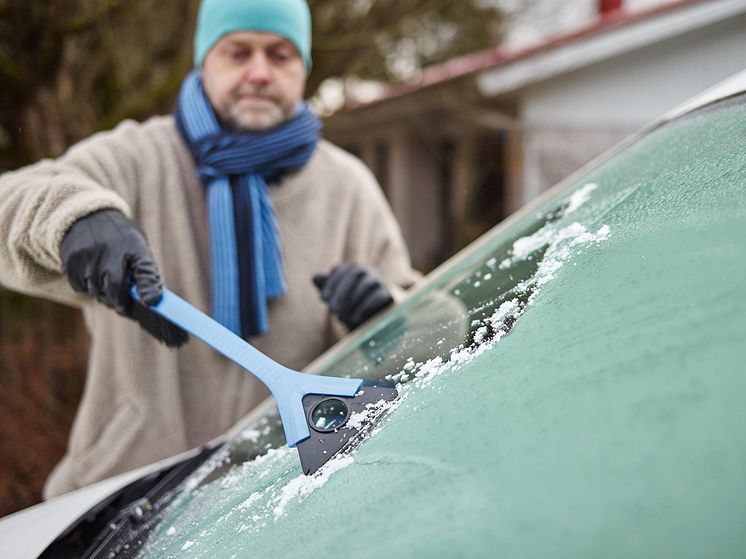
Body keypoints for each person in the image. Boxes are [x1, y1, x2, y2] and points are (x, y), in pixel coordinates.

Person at [0, 0, 419, 499]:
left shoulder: (348, 187)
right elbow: (14, 198)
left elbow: (429, 329)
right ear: (205, 61)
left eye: (280, 55)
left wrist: (386, 314)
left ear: (304, 69)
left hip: (280, 500)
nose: (259, 73)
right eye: (237, 53)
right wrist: (75, 219)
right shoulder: (136, 158)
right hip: (120, 499)